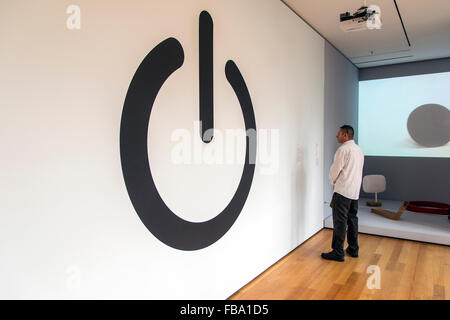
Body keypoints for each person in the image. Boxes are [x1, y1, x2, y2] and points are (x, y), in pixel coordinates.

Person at [322, 125, 365, 262]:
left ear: (345, 135)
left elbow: (335, 171)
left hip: (342, 191)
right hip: (354, 192)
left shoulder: (343, 150)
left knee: (340, 222)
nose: (337, 136)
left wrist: (332, 180)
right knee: (352, 220)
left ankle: (338, 252)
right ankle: (353, 249)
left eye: (339, 133)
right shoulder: (359, 150)